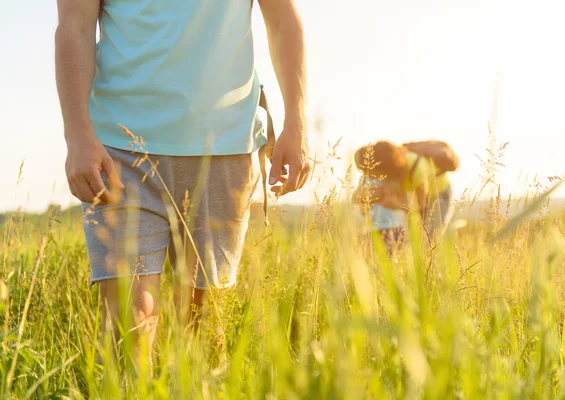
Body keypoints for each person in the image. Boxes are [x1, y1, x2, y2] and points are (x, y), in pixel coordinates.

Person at [55, 0, 310, 363]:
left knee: (204, 326)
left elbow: (283, 21)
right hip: (120, 150)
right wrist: (78, 136)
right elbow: (74, 26)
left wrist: (296, 126)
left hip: (223, 146)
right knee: (128, 330)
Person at [354, 141, 457, 236]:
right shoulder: (391, 172)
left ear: (384, 167)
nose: (369, 175)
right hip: (419, 198)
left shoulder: (417, 168)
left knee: (431, 238)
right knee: (415, 241)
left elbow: (420, 205)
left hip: (439, 195)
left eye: (372, 171)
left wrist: (397, 205)